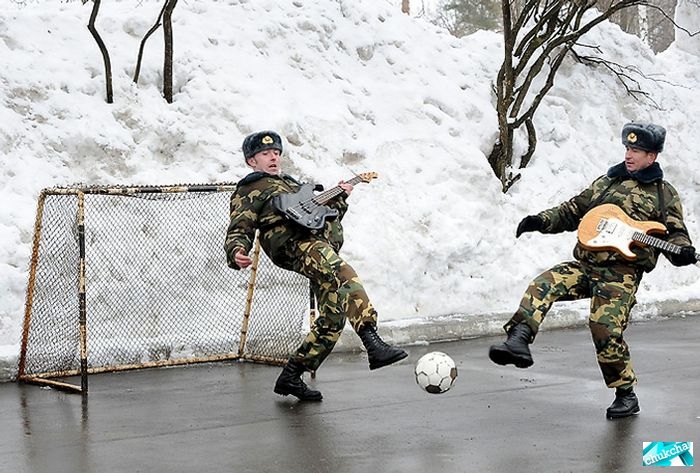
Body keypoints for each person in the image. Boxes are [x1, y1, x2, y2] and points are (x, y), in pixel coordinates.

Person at [488, 122, 697, 419]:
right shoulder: (607, 182)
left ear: (652, 156)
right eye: (627, 148)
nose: (629, 155)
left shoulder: (663, 194)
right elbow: (573, 210)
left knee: (604, 328)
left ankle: (625, 393)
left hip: (621, 274)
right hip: (586, 264)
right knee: (543, 284)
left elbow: (674, 233)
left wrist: (682, 251)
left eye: (636, 150)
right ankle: (518, 340)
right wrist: (540, 221)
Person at [224, 130, 407, 401]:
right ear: (252, 161)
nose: (273, 157)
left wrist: (340, 197)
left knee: (333, 314)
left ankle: (292, 375)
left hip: (314, 244)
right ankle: (372, 341)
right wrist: (237, 250)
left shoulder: (292, 184)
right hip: (291, 245)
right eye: (265, 154)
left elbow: (317, 216)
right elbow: (240, 225)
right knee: (342, 272)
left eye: (276, 153)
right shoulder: (251, 188)